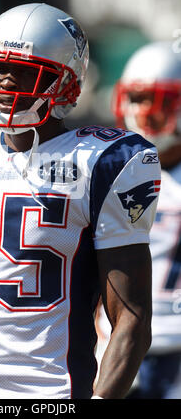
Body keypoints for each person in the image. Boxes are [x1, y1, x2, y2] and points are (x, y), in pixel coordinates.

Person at [0, 3, 161, 400]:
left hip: (49, 393)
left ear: (64, 82)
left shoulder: (103, 163)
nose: (3, 81)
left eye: (22, 71)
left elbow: (131, 318)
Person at [110, 40, 181, 399]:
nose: (147, 111)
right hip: (118, 341)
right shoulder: (108, 169)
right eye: (138, 98)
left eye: (164, 100)